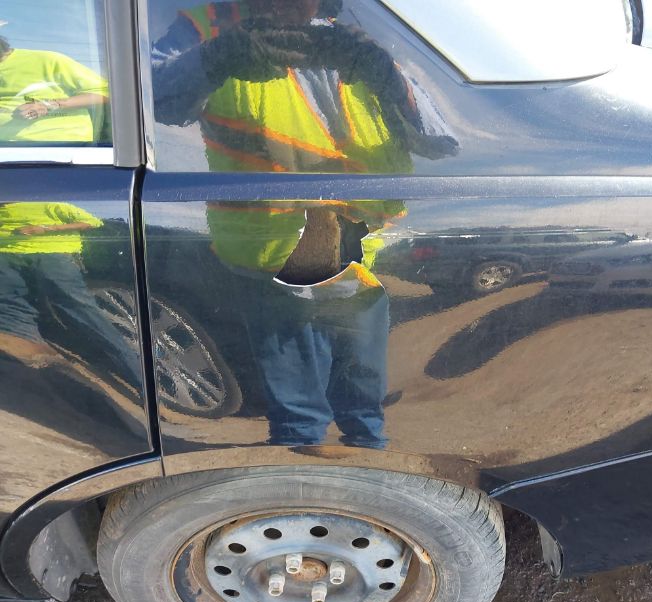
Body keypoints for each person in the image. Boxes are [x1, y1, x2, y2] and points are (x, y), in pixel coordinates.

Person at [152, 0, 456, 448]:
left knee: (363, 396)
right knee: (299, 413)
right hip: (274, 244)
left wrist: (385, 75)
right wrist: (216, 57)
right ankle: (301, 474)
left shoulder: (353, 40)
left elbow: (439, 139)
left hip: (356, 239)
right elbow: (154, 98)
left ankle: (367, 468)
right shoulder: (207, 29)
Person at [0, 202, 140, 386]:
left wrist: (45, 228)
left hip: (51, 254)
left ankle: (139, 376)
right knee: (11, 308)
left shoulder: (53, 204)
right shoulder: (4, 206)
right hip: (6, 255)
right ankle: (27, 367)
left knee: (80, 310)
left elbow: (91, 222)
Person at [0, 34, 109, 143]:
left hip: (59, 146)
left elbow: (103, 92)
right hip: (6, 147)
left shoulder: (49, 60)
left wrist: (48, 105)